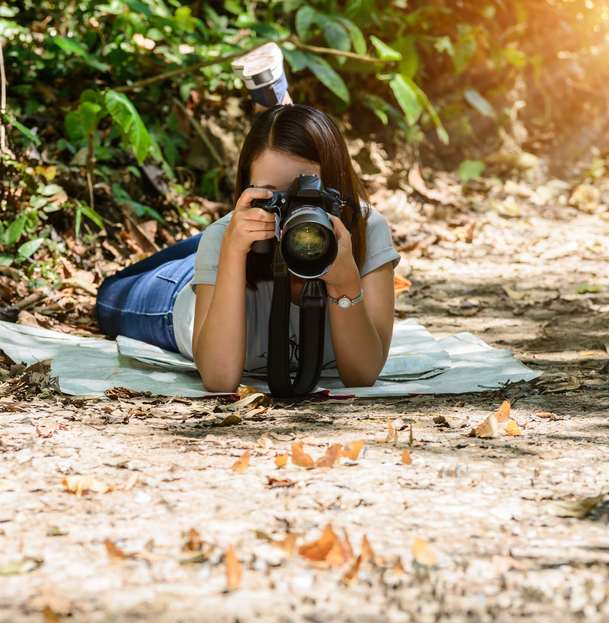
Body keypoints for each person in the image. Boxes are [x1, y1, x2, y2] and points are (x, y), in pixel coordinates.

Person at [96, 48, 401, 392]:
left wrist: (345, 283)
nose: (290, 213)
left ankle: (276, 106)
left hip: (248, 237)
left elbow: (362, 375)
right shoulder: (226, 236)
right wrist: (229, 252)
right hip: (194, 286)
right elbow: (220, 379)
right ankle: (275, 108)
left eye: (305, 192)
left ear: (336, 188)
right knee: (109, 297)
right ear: (247, 188)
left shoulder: (364, 230)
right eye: (274, 196)